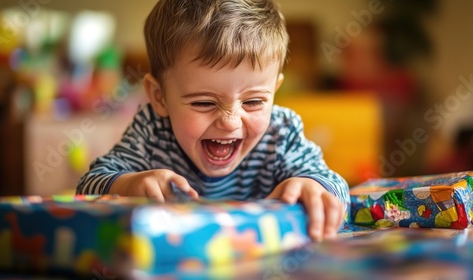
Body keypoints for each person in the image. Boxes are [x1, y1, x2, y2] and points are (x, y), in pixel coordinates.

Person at [76, 0, 349, 242]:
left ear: (274, 91)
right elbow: (87, 187)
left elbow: (338, 189)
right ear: (159, 98)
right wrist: (128, 184)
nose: (230, 122)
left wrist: (313, 185)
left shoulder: (281, 133)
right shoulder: (152, 130)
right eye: (203, 103)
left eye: (254, 102)